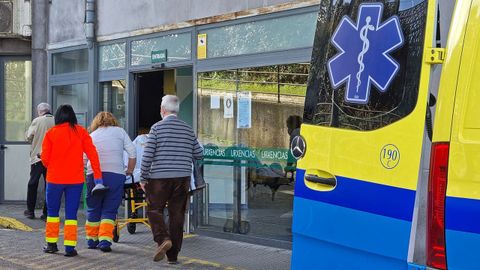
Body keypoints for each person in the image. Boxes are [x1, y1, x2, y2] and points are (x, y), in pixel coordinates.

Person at [140, 95, 203, 264]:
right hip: (182, 179)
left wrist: (143, 177)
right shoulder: (188, 129)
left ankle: (162, 239)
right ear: (177, 111)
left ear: (162, 110)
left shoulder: (156, 129)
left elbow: (147, 156)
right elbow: (199, 153)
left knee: (155, 210)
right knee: (177, 215)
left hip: (159, 179)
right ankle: (173, 256)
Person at [41, 104, 103, 257]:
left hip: (54, 179)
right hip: (75, 180)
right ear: (73, 116)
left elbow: (45, 159)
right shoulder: (81, 132)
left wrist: (53, 165)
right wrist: (98, 177)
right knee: (71, 215)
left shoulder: (51, 133)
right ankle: (70, 248)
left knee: (53, 213)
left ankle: (51, 244)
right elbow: (92, 154)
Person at [85, 111, 136, 252]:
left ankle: (91, 239)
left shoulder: (92, 135)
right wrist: (129, 170)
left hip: (94, 175)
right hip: (116, 174)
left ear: (96, 122)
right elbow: (132, 152)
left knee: (93, 207)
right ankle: (105, 241)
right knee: (109, 209)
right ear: (113, 121)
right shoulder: (120, 132)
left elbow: (84, 158)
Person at [24, 103, 55, 220]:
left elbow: (28, 137)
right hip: (52, 159)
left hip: (38, 158)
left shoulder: (37, 120)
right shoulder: (56, 121)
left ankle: (30, 211)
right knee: (50, 186)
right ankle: (47, 213)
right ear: (49, 110)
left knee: (33, 184)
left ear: (39, 111)